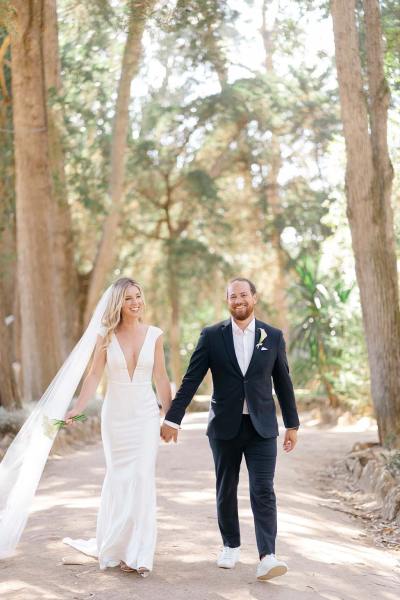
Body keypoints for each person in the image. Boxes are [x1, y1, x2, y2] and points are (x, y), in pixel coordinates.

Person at [161, 277, 299, 581]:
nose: (239, 300)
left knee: (263, 489)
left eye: (243, 295)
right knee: (226, 488)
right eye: (233, 296)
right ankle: (230, 545)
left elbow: (283, 382)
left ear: (254, 298)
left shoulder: (272, 336)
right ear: (227, 301)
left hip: (262, 427)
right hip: (225, 427)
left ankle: (268, 555)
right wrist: (173, 418)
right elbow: (191, 379)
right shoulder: (212, 336)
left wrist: (292, 424)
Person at [63, 277, 171, 576]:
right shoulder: (105, 336)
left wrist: (170, 417)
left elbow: (161, 378)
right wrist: (77, 409)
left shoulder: (155, 335)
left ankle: (139, 552)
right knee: (119, 478)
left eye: (138, 296)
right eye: (128, 298)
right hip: (116, 417)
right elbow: (94, 376)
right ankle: (118, 548)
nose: (136, 302)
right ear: (117, 304)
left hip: (146, 415)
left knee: (141, 476)